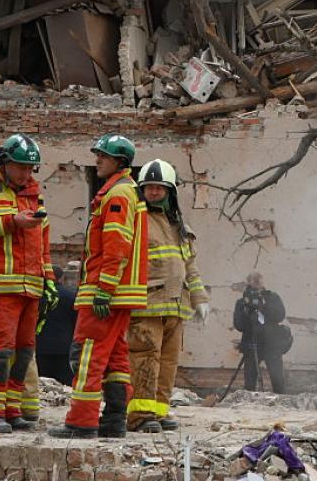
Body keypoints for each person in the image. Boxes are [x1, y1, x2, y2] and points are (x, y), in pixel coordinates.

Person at [49, 134, 150, 440]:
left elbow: (116, 246)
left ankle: (82, 421)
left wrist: (104, 287)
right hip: (121, 294)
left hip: (105, 293)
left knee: (87, 356)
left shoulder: (117, 195)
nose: (98, 159)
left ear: (119, 161)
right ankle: (115, 419)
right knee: (116, 358)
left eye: (104, 155)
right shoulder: (126, 191)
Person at [0, 134, 56, 434]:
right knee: (0, 350)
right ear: (6, 163)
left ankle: (12, 409)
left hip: (31, 286)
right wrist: (12, 222)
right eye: (21, 167)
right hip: (1, 286)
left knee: (24, 351)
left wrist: (49, 279)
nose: (26, 174)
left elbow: (42, 240)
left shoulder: (33, 193)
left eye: (31, 168)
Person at [127, 159, 211, 432]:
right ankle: (140, 415)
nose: (153, 192)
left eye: (159, 188)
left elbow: (191, 267)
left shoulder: (178, 226)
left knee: (168, 363)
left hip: (176, 306)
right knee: (145, 359)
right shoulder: (137, 218)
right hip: (147, 304)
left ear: (170, 191)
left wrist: (200, 300)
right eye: (149, 187)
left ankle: (159, 412)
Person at [233, 271, 290, 393]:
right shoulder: (242, 302)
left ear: (263, 283)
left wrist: (264, 307)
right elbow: (239, 325)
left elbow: (280, 316)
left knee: (277, 379)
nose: (256, 287)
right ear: (248, 283)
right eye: (253, 283)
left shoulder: (272, 297)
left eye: (258, 282)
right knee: (250, 381)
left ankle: (280, 402)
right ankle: (250, 405)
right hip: (251, 344)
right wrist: (246, 311)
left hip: (272, 344)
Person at [36, 262, 79, 385]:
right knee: (66, 386)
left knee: (42, 385)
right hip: (64, 349)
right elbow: (76, 322)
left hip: (40, 348)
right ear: (61, 278)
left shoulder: (37, 296)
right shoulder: (71, 296)